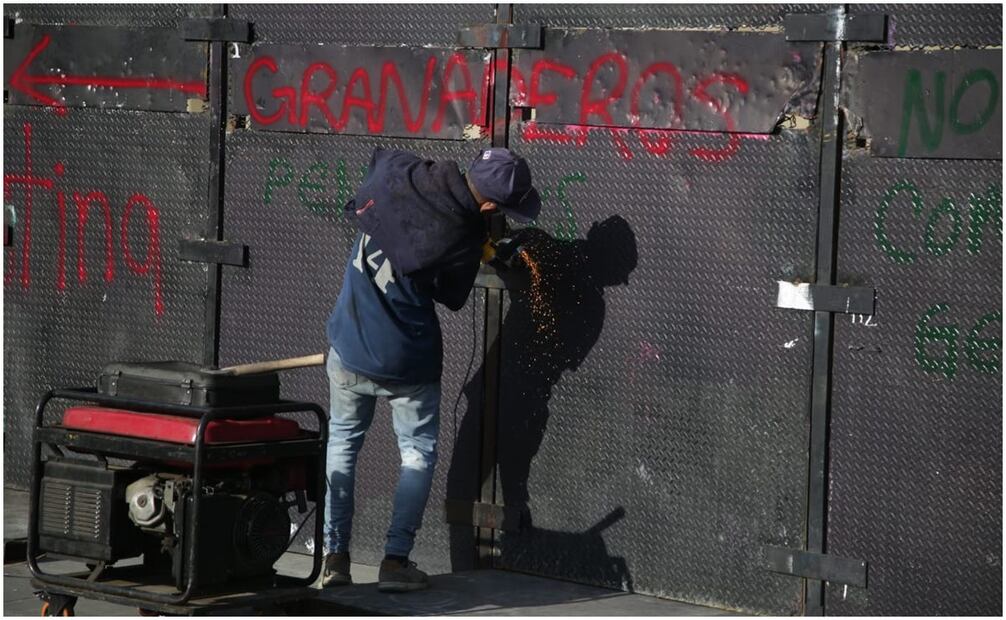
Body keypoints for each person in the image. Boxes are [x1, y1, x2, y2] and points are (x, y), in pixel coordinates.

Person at [322, 147, 541, 592]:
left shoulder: (400, 174)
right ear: (489, 207)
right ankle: (395, 562)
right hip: (407, 362)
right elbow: (453, 293)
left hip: (347, 347)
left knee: (342, 447)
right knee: (416, 456)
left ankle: (334, 560)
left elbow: (383, 169)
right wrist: (482, 247)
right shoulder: (459, 236)